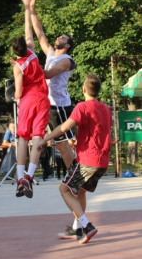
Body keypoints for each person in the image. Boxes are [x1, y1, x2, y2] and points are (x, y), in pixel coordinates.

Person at [40, 74, 111, 244]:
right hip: (102, 161)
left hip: (88, 160)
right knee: (80, 192)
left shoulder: (82, 107)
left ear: (84, 89)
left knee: (64, 189)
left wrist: (45, 138)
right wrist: (80, 139)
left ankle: (87, 226)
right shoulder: (105, 108)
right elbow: (97, 130)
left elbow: (64, 127)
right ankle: (77, 228)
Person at [29, 0, 77, 175]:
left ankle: (75, 173)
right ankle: (72, 172)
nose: (58, 38)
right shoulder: (50, 53)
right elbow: (39, 32)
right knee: (56, 143)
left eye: (62, 38)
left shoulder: (67, 61)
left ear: (67, 45)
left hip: (60, 107)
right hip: (47, 104)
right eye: (59, 37)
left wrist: (30, 63)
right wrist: (32, 9)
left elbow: (48, 74)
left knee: (63, 144)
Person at [11, 0, 50, 198]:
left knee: (23, 139)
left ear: (14, 52)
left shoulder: (18, 66)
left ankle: (19, 179)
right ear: (25, 47)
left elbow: (17, 93)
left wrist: (16, 74)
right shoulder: (32, 52)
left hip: (27, 100)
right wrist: (27, 6)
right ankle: (30, 177)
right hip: (43, 98)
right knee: (37, 137)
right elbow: (28, 29)